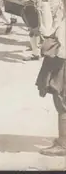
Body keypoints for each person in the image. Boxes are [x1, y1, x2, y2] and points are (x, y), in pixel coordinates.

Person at [35, 21, 66, 156]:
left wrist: (50, 43)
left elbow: (62, 52)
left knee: (62, 104)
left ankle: (63, 144)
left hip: (62, 65)